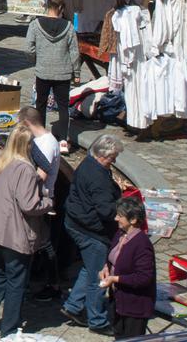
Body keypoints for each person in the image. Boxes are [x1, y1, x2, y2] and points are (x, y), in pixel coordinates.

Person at [0, 127, 53, 337]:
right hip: (12, 233)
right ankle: (9, 328)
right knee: (16, 280)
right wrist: (47, 201)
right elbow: (29, 205)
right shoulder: (24, 169)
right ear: (28, 145)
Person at [63, 135, 124, 334]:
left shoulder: (89, 164)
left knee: (90, 268)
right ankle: (97, 320)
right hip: (91, 231)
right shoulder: (98, 177)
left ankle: (73, 305)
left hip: (76, 222)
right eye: (112, 157)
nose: (114, 161)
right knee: (99, 275)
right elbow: (107, 211)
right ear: (101, 155)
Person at [26, 0, 81, 151]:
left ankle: (41, 137)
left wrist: (37, 60)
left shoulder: (35, 25)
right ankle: (63, 141)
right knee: (63, 107)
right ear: (61, 7)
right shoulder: (69, 26)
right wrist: (76, 72)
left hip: (42, 71)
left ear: (46, 6)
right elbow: (74, 52)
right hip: (63, 73)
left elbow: (29, 48)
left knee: (40, 105)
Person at [102, 199, 155, 339]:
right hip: (118, 301)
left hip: (135, 305)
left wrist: (115, 279)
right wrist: (105, 269)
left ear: (133, 220)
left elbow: (144, 278)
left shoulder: (142, 244)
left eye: (120, 215)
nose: (115, 218)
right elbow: (112, 257)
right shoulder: (120, 234)